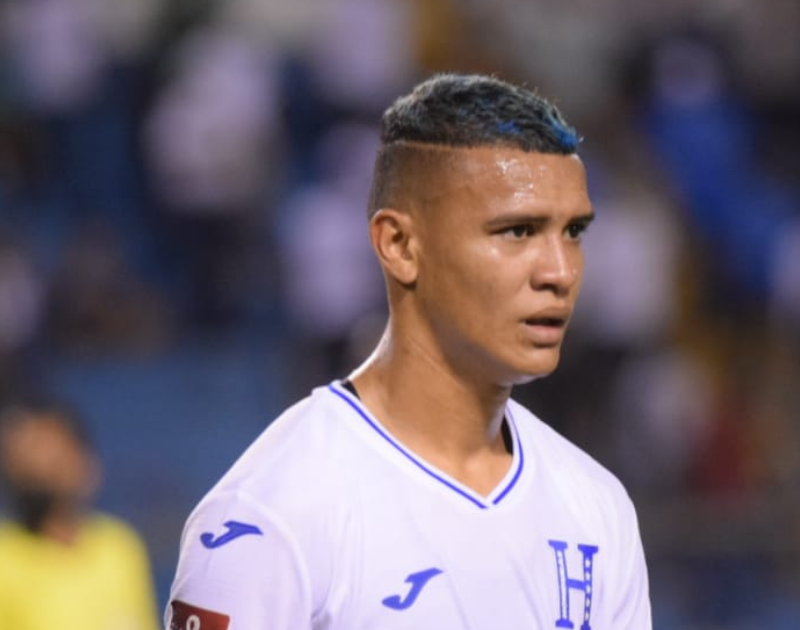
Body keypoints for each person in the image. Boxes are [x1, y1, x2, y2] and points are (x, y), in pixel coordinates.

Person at [166, 74, 653, 629]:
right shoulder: (266, 519)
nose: (560, 272)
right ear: (398, 245)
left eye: (573, 232)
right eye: (518, 231)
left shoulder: (596, 508)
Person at [0, 399, 159, 630]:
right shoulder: (6, 557)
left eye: (54, 459)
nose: (41, 468)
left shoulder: (119, 544)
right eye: (25, 461)